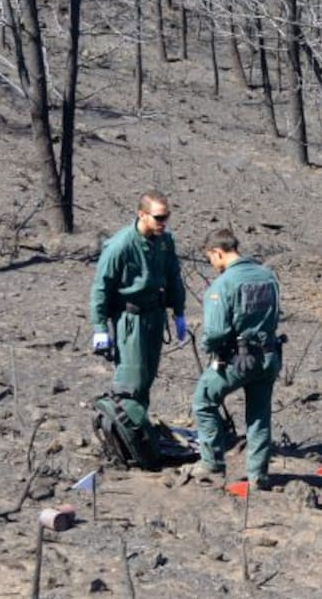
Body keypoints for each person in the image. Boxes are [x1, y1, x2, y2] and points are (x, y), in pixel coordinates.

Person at [190, 228, 283, 489]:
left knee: (203, 401)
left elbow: (216, 331)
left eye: (210, 258)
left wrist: (209, 347)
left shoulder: (223, 285)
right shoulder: (267, 276)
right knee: (259, 415)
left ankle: (212, 463)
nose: (212, 264)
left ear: (217, 252)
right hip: (269, 356)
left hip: (238, 360)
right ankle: (258, 475)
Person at [89, 191, 187, 411]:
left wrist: (179, 312)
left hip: (155, 315)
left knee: (147, 377)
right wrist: (100, 328)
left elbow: (174, 277)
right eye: (158, 218)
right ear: (142, 214)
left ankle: (139, 424)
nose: (164, 222)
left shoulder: (164, 241)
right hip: (130, 319)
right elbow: (101, 287)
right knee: (131, 380)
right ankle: (124, 424)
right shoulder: (120, 245)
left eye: (166, 217)